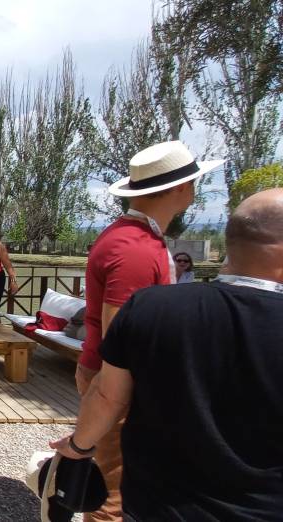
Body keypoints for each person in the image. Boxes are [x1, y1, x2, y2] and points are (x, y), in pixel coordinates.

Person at [51, 188, 283, 520]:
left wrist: (78, 446)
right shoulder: (136, 249)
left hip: (156, 505)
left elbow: (107, 394)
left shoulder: (150, 305)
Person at [75, 141, 225, 520]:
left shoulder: (132, 238)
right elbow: (120, 337)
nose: (195, 190)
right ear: (179, 189)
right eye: (193, 181)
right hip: (119, 382)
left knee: (122, 482)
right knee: (115, 492)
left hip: (112, 377)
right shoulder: (136, 248)